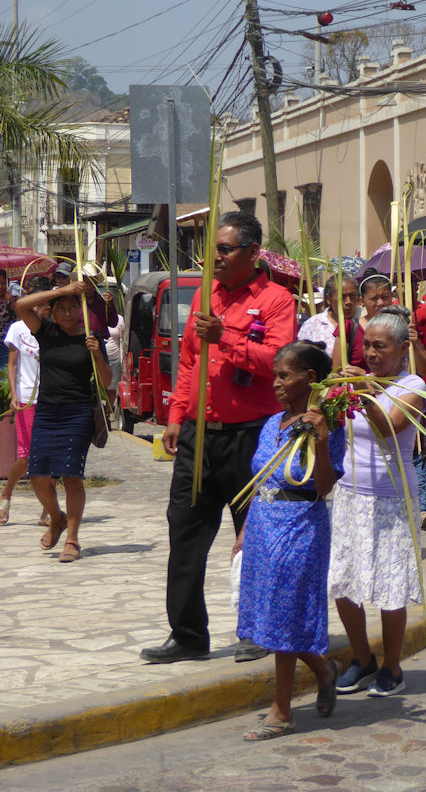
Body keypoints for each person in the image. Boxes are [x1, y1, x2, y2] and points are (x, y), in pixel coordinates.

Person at [141, 212, 296, 665]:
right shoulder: (205, 295)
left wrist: (225, 336)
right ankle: (187, 634)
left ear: (253, 252)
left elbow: (278, 362)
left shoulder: (276, 300)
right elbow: (190, 360)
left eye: (225, 250)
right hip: (199, 435)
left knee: (256, 537)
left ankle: (257, 629)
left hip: (252, 436)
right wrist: (176, 415)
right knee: (184, 532)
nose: (217, 258)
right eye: (214, 250)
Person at [237, 342, 346, 741]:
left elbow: (324, 486)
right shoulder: (273, 423)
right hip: (263, 527)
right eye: (276, 375)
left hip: (299, 526)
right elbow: (261, 478)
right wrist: (244, 531)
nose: (276, 383)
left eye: (284, 375)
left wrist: (322, 441)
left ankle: (282, 712)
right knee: (272, 614)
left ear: (310, 379)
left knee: (285, 613)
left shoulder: (329, 426)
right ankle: (324, 669)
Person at [330, 306, 426, 698]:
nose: (370, 354)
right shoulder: (356, 381)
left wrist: (366, 393)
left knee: (390, 584)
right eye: (367, 345)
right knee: (342, 580)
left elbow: (389, 429)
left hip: (392, 499)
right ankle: (362, 658)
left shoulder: (413, 386)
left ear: (402, 349)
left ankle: (392, 666)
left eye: (380, 347)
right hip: (350, 494)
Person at [14, 280, 111, 562]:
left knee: (71, 475)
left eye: (72, 308)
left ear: (80, 311)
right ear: (53, 312)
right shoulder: (46, 332)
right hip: (47, 411)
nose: (67, 312)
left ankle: (72, 539)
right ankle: (57, 518)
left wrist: (96, 354)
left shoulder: (92, 338)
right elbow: (21, 305)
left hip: (77, 412)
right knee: (37, 475)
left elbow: (106, 381)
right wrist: (63, 290)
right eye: (62, 308)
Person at [1, 276, 52, 527]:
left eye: (46, 306)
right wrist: (13, 394)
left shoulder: (55, 328)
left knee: (49, 456)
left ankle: (48, 509)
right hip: (26, 397)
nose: (43, 310)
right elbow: (12, 364)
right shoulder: (18, 329)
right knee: (26, 457)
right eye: (38, 305)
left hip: (52, 398)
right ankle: (6, 494)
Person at [298, 276, 363, 368]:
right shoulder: (312, 325)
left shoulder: (366, 319)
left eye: (352, 296)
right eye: (342, 297)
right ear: (328, 299)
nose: (348, 302)